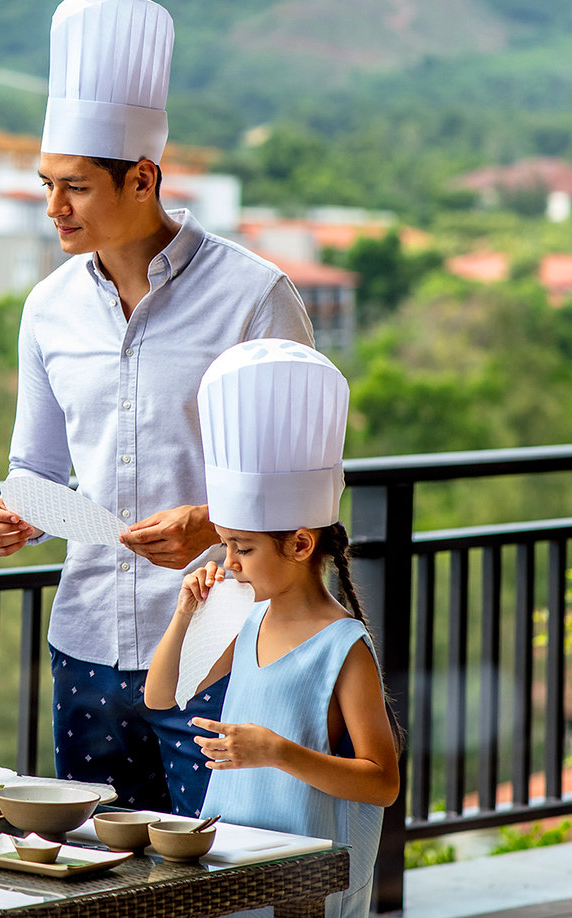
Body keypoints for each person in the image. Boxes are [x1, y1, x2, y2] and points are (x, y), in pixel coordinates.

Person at [0, 0, 314, 816]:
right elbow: (37, 467)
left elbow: (312, 488)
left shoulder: (256, 299)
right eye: (48, 185)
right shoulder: (47, 309)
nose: (55, 209)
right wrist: (16, 510)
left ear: (144, 178)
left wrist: (206, 522)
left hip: (224, 642)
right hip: (85, 641)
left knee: (222, 873)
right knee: (99, 877)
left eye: (77, 189)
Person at [145, 339, 399, 918]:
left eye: (244, 548)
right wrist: (185, 614)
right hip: (233, 854)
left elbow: (382, 782)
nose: (228, 563)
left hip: (305, 870)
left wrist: (277, 751)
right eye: (227, 546)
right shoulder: (246, 615)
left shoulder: (343, 647)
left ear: (301, 543)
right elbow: (160, 695)